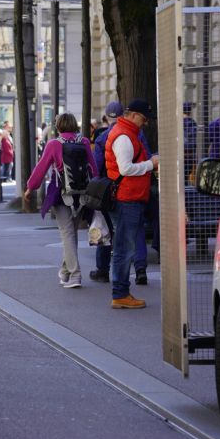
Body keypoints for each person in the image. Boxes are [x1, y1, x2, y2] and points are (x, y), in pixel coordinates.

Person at [24, 113, 97, 289]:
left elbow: (40, 169)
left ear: (58, 127)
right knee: (71, 234)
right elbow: (93, 169)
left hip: (61, 194)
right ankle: (65, 272)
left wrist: (30, 188)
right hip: (82, 195)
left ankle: (75, 274)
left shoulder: (54, 144)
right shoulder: (85, 142)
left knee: (67, 234)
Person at [106, 99, 159, 309]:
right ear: (135, 115)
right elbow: (126, 169)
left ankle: (121, 292)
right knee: (124, 248)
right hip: (127, 198)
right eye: (144, 119)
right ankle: (120, 293)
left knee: (123, 247)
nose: (144, 123)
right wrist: (150, 164)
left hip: (129, 197)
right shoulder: (125, 137)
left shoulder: (125, 133)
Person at [90, 101, 124, 283]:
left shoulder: (102, 137)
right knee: (128, 230)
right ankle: (139, 269)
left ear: (106, 117)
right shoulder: (135, 134)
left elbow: (96, 167)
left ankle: (103, 270)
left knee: (104, 230)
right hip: (128, 190)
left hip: (106, 190)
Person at [183, 102, 198, 181]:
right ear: (190, 112)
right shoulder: (193, 123)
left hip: (181, 154)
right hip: (191, 155)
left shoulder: (178, 123)